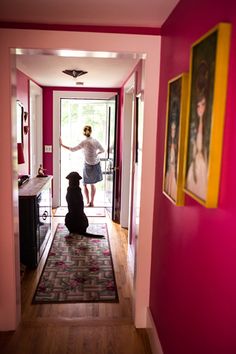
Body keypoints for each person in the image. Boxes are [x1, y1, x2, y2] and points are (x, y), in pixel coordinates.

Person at [60, 125, 105, 207]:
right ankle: (92, 202)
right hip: (95, 164)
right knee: (93, 184)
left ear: (84, 133)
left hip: (88, 164)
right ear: (91, 132)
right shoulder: (95, 141)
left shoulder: (84, 142)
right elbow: (103, 150)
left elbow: (73, 149)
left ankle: (88, 202)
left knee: (85, 184)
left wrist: (62, 145)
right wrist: (97, 154)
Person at [186, 61, 209, 200]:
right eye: (198, 105)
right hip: (195, 167)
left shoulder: (205, 126)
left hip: (201, 166)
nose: (200, 108)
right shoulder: (194, 127)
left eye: (203, 104)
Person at [65, 171, 104, 238]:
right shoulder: (78, 190)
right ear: (78, 181)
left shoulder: (69, 191)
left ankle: (72, 230)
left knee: (69, 215)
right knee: (81, 214)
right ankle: (82, 230)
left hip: (71, 220)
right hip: (81, 222)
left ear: (69, 180)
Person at [165, 119, 177, 200]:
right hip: (170, 167)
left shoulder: (176, 145)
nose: (173, 131)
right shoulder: (169, 144)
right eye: (172, 129)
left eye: (174, 129)